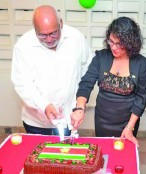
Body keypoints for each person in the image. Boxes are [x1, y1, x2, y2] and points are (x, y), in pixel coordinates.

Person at [11, 5, 92, 136]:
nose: (49, 39)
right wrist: (45, 105)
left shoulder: (76, 38)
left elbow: (87, 71)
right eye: (42, 35)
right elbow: (23, 84)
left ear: (61, 24)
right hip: (37, 122)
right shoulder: (23, 46)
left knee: (67, 155)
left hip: (68, 117)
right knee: (39, 155)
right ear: (34, 29)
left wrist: (79, 104)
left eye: (53, 33)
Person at [70, 17, 146, 145]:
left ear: (131, 43)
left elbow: (141, 98)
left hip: (127, 121)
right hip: (102, 119)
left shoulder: (142, 64)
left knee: (123, 156)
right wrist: (79, 108)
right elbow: (86, 83)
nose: (114, 47)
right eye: (111, 42)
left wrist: (130, 127)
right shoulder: (101, 57)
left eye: (119, 44)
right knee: (103, 153)